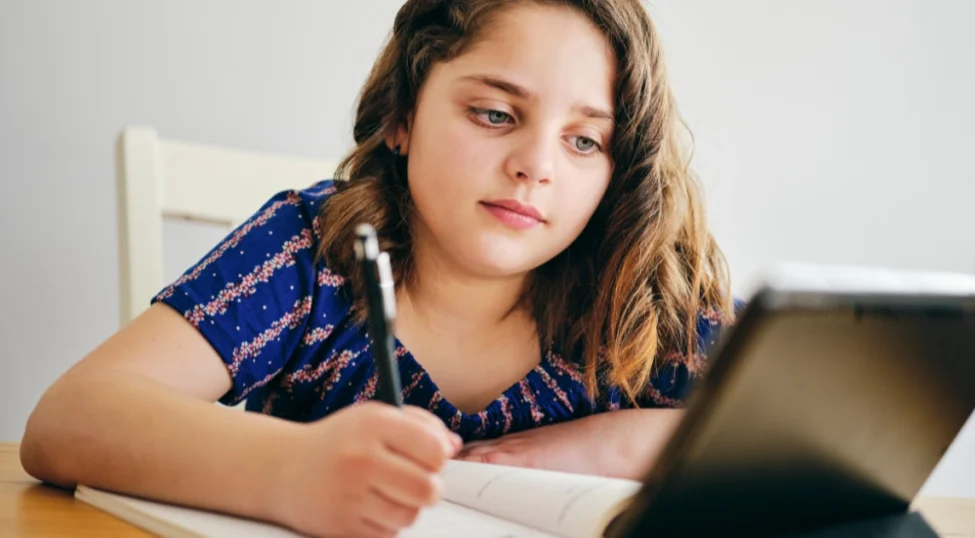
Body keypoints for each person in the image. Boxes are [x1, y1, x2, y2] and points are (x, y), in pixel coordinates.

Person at [20, 0, 737, 536]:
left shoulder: (650, 287)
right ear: (401, 116)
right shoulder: (314, 250)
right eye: (493, 114)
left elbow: (791, 450)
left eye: (584, 141)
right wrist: (292, 469)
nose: (536, 167)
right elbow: (68, 420)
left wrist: (615, 441)